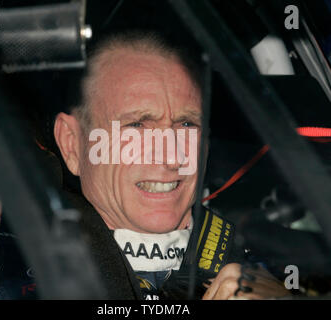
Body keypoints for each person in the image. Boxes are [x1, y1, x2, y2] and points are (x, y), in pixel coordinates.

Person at [54, 31, 290, 300]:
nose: (172, 158)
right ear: (72, 144)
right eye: (137, 126)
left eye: (186, 124)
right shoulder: (20, 263)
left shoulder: (274, 257)